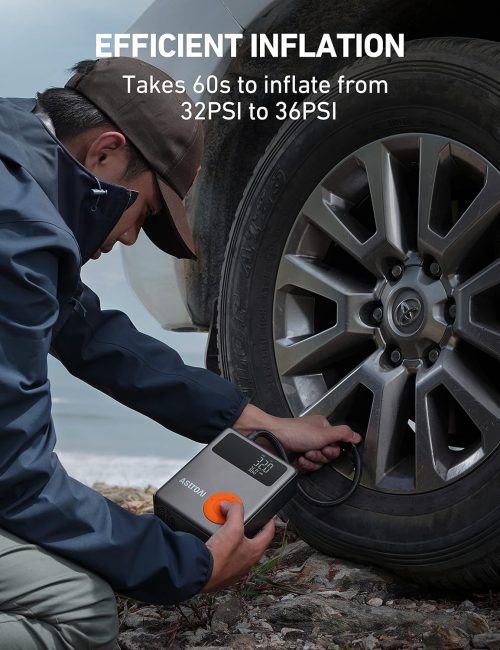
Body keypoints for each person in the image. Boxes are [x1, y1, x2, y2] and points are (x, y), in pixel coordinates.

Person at [0, 57, 361, 649]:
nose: (129, 235)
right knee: (82, 615)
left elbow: (91, 335)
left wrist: (257, 422)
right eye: (141, 209)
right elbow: (16, 479)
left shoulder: (16, 164)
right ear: (105, 153)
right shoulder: (19, 232)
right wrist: (183, 565)